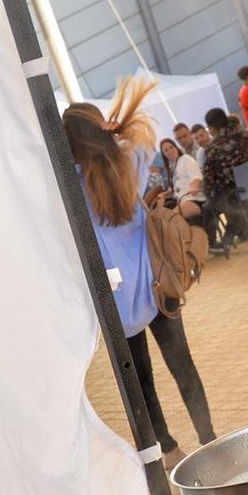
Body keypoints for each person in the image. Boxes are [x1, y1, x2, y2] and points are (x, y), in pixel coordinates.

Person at [65, 84, 216, 464]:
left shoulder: (69, 183)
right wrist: (115, 130)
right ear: (101, 128)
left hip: (116, 299)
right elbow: (145, 138)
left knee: (141, 381)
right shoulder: (129, 160)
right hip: (157, 283)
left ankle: (165, 448)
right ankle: (210, 438)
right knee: (183, 365)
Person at [199, 106, 248, 249]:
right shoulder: (247, 135)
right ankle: (244, 229)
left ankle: (211, 244)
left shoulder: (213, 147)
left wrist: (205, 191)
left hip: (239, 198)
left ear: (211, 128)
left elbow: (210, 181)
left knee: (210, 205)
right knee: (229, 195)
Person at [160, 135, 205, 221]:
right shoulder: (172, 168)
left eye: (171, 147)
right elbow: (175, 190)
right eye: (166, 150)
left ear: (176, 147)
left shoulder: (185, 159)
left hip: (195, 199)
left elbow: (197, 178)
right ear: (164, 155)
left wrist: (193, 186)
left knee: (171, 219)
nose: (170, 151)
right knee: (164, 218)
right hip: (182, 202)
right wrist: (163, 195)